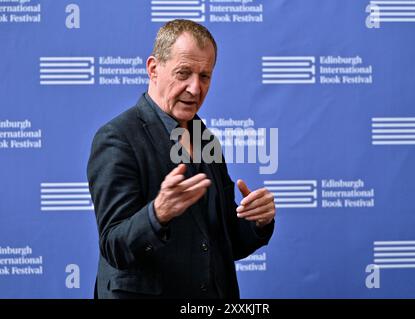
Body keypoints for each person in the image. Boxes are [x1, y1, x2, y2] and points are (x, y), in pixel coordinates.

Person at [87, 19, 275, 299]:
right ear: (153, 68)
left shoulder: (205, 139)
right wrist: (157, 214)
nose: (195, 88)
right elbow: (114, 245)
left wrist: (258, 222)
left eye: (205, 76)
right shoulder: (117, 138)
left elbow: (225, 242)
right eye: (183, 73)